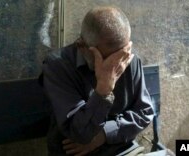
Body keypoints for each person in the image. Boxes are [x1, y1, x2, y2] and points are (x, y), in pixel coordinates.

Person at [42, 6, 154, 156]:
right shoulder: (58, 66)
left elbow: (144, 112)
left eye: (121, 55)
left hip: (121, 149)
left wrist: (104, 134)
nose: (116, 65)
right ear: (82, 46)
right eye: (107, 59)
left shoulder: (127, 59)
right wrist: (103, 89)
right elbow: (81, 134)